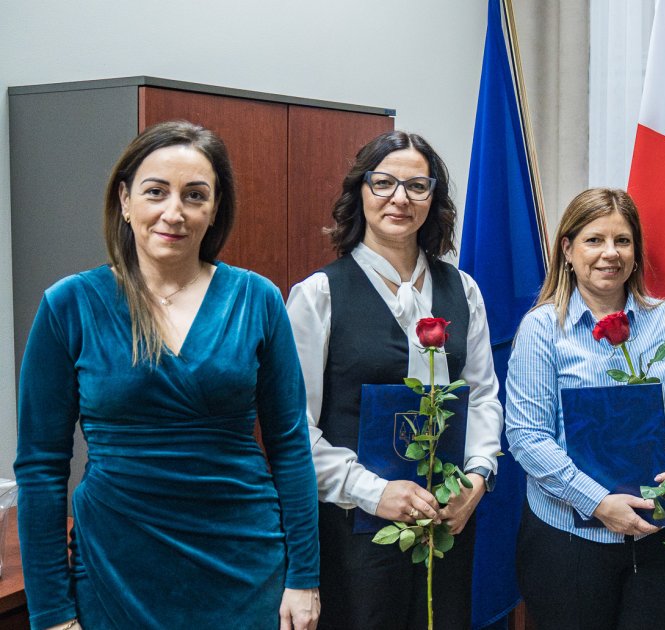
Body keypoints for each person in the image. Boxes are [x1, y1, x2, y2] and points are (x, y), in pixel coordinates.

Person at [14, 121, 320, 630]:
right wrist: (50, 612)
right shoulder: (69, 305)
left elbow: (290, 447)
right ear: (126, 200)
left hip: (244, 566)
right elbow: (42, 468)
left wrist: (304, 577)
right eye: (156, 192)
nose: (173, 213)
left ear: (215, 208)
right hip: (116, 568)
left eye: (195, 195)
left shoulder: (257, 299)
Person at [286, 130, 502, 629]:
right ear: (360, 192)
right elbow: (295, 430)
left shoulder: (462, 289)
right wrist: (372, 491)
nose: (400, 198)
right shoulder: (319, 294)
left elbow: (483, 395)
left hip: (447, 524)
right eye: (383, 183)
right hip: (352, 531)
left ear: (434, 198)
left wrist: (477, 476)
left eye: (417, 186)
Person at [505, 188, 665, 628]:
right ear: (568, 249)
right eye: (594, 240)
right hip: (569, 539)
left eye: (623, 241)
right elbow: (527, 438)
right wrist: (598, 502)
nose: (609, 253)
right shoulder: (542, 329)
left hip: (660, 535)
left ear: (636, 253)